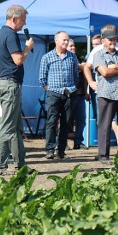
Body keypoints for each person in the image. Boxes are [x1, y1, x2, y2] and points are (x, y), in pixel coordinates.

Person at [0, 5, 34, 171]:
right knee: (8, 126)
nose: (24, 24)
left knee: (16, 127)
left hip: (2, 82)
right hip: (10, 84)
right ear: (14, 19)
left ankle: (20, 165)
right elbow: (18, 60)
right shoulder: (10, 35)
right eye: (23, 20)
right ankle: (0, 165)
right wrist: (27, 48)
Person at [91, 24, 118, 164]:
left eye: (114, 39)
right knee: (105, 125)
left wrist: (115, 66)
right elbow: (105, 73)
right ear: (103, 40)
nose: (112, 42)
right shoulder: (98, 55)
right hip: (106, 94)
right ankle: (103, 156)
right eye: (110, 39)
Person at [39, 31, 79, 160]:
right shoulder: (47, 57)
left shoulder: (72, 57)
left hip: (69, 93)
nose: (66, 42)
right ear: (56, 41)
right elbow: (42, 77)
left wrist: (72, 88)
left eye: (67, 40)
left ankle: (61, 150)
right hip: (53, 93)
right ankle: (50, 149)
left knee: (66, 122)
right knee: (51, 121)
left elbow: (76, 76)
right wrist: (49, 90)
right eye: (64, 40)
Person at [68, 39, 88, 150]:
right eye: (70, 46)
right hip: (69, 95)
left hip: (80, 94)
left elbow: (85, 75)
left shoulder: (78, 59)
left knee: (81, 119)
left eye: (74, 45)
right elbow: (82, 67)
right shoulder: (65, 59)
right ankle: (63, 142)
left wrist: (86, 92)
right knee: (66, 120)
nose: (73, 48)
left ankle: (78, 142)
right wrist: (81, 67)